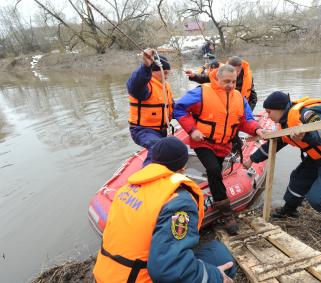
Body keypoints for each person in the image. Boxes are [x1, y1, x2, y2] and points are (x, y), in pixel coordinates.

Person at [93, 137, 237, 283]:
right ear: (183, 167)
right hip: (136, 278)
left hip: (105, 275)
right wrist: (216, 277)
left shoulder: (126, 189)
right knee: (220, 255)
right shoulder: (178, 201)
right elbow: (168, 269)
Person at [243, 91, 321, 234]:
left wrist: (305, 136)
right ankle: (290, 209)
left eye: (269, 112)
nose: (267, 115)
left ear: (280, 109)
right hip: (320, 155)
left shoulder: (307, 114)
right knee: (297, 179)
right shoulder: (285, 123)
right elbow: (274, 144)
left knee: (319, 198)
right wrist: (252, 159)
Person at [174, 64, 265, 234]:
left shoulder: (239, 97)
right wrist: (192, 130)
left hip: (224, 144)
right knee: (214, 169)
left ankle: (215, 190)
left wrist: (257, 129)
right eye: (226, 81)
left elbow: (246, 120)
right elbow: (179, 108)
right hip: (203, 141)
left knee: (215, 171)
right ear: (217, 79)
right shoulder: (201, 92)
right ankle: (226, 213)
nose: (230, 85)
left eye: (233, 81)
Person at [127, 48, 173, 166]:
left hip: (160, 130)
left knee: (172, 147)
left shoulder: (164, 86)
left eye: (168, 72)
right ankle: (147, 178)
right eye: (165, 72)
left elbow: (173, 107)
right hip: (142, 130)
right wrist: (146, 66)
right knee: (157, 147)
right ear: (154, 71)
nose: (166, 76)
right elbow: (134, 85)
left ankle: (166, 169)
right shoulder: (145, 86)